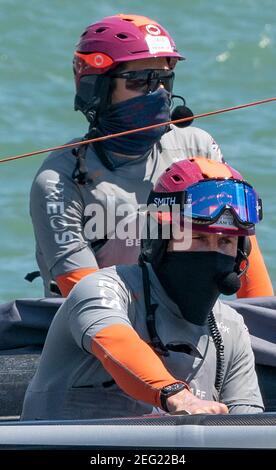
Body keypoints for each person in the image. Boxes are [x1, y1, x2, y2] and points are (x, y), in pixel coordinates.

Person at [29, 13, 273, 298]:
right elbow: (89, 303)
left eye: (163, 80)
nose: (158, 94)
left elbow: (248, 267)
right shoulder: (59, 181)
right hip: (94, 328)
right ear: (98, 88)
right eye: (140, 80)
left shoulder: (199, 148)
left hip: (189, 322)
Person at [21, 157, 264, 420]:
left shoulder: (232, 327)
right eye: (198, 238)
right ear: (161, 240)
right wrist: (178, 397)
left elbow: (247, 422)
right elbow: (115, 341)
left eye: (226, 242)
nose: (213, 253)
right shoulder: (102, 289)